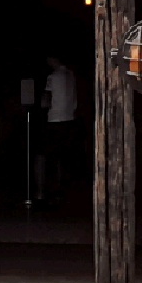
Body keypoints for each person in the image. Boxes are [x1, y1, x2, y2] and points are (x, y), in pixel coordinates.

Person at [40, 53, 80, 202]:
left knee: (51, 156)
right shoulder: (70, 75)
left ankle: (52, 190)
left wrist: (43, 104)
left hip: (55, 119)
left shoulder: (52, 77)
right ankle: (64, 188)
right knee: (65, 156)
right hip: (69, 118)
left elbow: (46, 99)